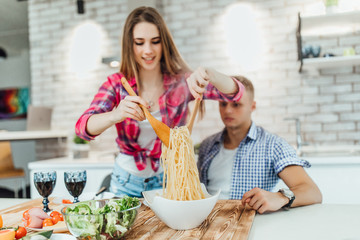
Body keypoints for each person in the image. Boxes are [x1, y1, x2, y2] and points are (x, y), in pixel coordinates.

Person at [75, 7, 244, 198]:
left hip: (169, 179)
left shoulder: (182, 83)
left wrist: (211, 74)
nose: (148, 50)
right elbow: (83, 128)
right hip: (126, 182)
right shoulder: (116, 84)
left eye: (155, 41)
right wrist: (116, 114)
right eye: (140, 43)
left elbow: (236, 94)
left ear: (164, 43)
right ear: (130, 45)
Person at [197, 76, 322, 214]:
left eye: (236, 104)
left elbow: (312, 192)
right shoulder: (207, 146)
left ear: (252, 106)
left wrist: (280, 197)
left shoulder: (273, 145)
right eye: (223, 104)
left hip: (251, 227)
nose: (228, 111)